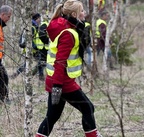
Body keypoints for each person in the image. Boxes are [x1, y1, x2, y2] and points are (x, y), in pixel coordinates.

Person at [35, 1, 102, 137]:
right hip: (62, 82)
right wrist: (58, 87)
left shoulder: (64, 26)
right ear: (74, 14)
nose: (84, 13)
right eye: (82, 11)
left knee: (52, 117)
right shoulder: (68, 33)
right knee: (88, 108)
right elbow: (60, 61)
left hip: (56, 79)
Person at [10, 13, 49, 81]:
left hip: (32, 49)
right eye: (39, 18)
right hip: (31, 49)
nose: (40, 20)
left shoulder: (33, 26)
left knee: (39, 62)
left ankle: (39, 76)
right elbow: (30, 40)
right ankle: (18, 74)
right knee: (30, 64)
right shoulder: (32, 27)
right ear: (37, 19)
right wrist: (35, 47)